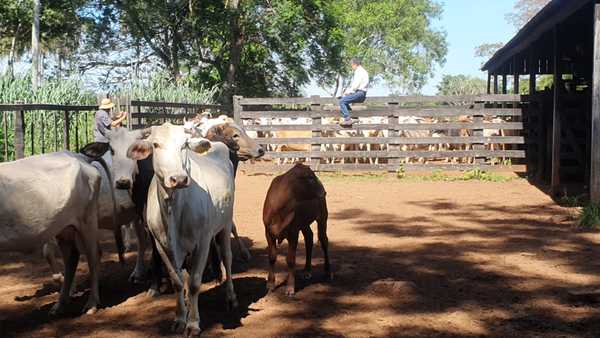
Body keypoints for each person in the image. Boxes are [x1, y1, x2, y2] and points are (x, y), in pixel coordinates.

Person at [94, 98, 127, 166]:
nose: (110, 109)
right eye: (110, 107)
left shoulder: (100, 112)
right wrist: (123, 118)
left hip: (100, 139)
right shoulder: (103, 114)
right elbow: (113, 124)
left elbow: (109, 120)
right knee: (108, 159)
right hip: (103, 140)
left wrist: (118, 116)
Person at [339, 58, 369, 127]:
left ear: (355, 64)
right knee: (345, 101)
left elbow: (355, 85)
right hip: (362, 93)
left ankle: (347, 119)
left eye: (352, 65)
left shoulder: (359, 71)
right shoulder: (363, 71)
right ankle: (353, 117)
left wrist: (348, 92)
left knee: (342, 101)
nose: (352, 67)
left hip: (359, 93)